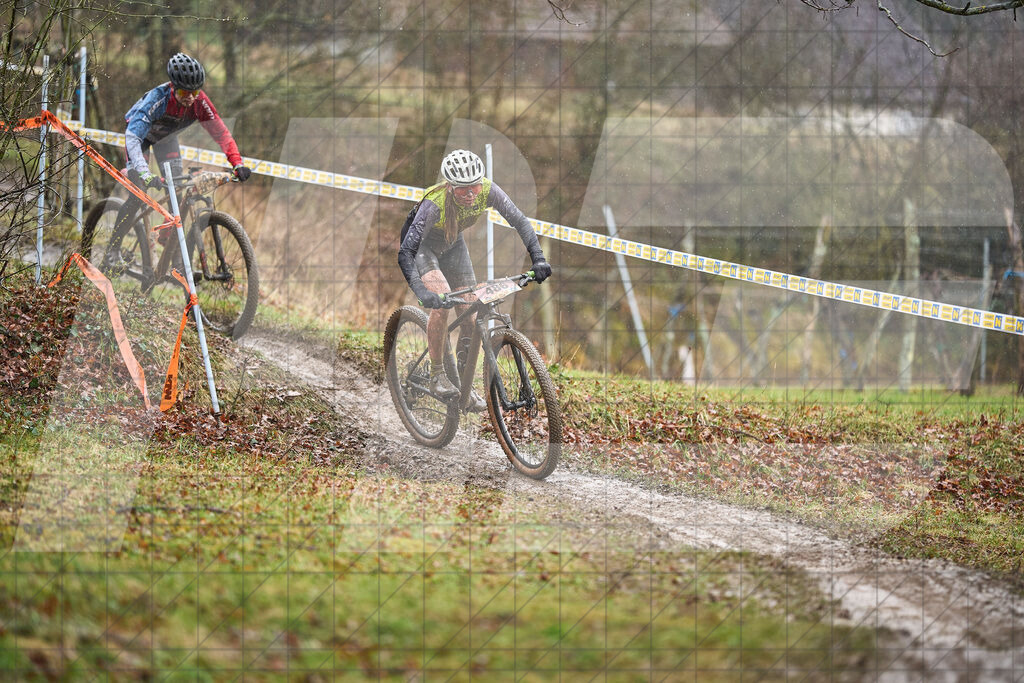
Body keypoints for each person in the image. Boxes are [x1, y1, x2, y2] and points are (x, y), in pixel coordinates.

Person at [398, 149, 552, 411]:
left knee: (470, 316)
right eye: (462, 189)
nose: (470, 194)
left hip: (453, 244)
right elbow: (406, 252)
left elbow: (519, 221)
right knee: (442, 299)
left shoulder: (489, 190)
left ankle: (461, 387)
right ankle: (436, 374)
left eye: (475, 187)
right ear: (449, 187)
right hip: (424, 248)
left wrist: (537, 258)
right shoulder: (433, 205)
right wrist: (422, 291)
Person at [113, 52, 251, 267]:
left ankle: (172, 252)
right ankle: (112, 250)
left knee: (178, 191)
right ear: (172, 87)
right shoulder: (157, 99)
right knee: (137, 195)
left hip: (166, 140)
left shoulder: (200, 103)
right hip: (139, 141)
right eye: (184, 92)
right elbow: (132, 138)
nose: (190, 97)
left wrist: (237, 163)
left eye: (194, 91)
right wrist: (144, 173)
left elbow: (222, 134)